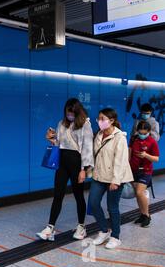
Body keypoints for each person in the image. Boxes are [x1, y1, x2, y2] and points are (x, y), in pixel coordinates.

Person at [37, 98, 94, 242]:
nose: (70, 115)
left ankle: (81, 226)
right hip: (62, 162)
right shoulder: (61, 124)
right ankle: (50, 228)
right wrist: (51, 139)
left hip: (77, 162)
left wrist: (83, 170)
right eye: (68, 113)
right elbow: (59, 143)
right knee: (58, 194)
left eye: (72, 113)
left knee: (78, 195)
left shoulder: (85, 125)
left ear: (77, 112)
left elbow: (87, 148)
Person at [89, 108, 133, 249]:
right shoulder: (99, 135)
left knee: (112, 207)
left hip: (115, 178)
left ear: (111, 120)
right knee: (93, 203)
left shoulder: (119, 137)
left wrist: (115, 180)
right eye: (98, 119)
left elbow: (120, 161)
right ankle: (103, 231)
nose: (99, 121)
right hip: (99, 176)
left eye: (102, 119)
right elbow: (95, 155)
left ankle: (115, 236)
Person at [129, 121, 159, 228]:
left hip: (145, 171)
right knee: (137, 194)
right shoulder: (134, 139)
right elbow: (129, 153)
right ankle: (142, 214)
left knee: (139, 192)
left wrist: (146, 155)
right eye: (140, 132)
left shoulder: (152, 142)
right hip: (133, 170)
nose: (142, 134)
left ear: (149, 131)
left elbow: (156, 158)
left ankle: (147, 215)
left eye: (144, 132)